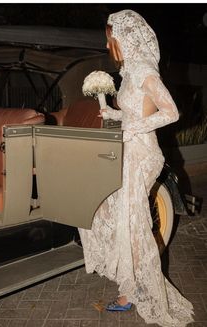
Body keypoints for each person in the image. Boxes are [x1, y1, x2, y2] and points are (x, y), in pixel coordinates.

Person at [78, 9, 194, 327]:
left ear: (122, 37)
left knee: (132, 227)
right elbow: (136, 110)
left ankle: (136, 296)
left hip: (142, 156)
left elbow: (171, 112)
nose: (107, 45)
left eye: (109, 38)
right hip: (129, 151)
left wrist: (136, 128)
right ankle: (129, 288)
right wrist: (116, 117)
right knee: (111, 216)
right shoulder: (130, 72)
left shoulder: (143, 70)